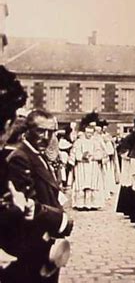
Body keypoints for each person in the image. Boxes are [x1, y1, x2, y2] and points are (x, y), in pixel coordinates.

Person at [5, 109, 73, 283]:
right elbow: (27, 203)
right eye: (40, 131)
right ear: (27, 131)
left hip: (46, 237)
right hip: (31, 239)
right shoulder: (21, 157)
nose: (46, 137)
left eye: (51, 132)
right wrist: (62, 220)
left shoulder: (37, 154)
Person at [69, 123, 106, 210]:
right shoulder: (79, 141)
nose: (89, 135)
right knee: (81, 184)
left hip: (92, 165)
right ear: (84, 132)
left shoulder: (96, 142)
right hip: (81, 165)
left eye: (90, 133)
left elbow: (101, 153)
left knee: (92, 184)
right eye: (87, 133)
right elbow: (74, 152)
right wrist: (81, 156)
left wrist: (93, 156)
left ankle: (92, 204)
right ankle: (80, 204)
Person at [115, 115, 135, 217]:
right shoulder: (129, 138)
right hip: (129, 164)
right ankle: (127, 209)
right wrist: (131, 155)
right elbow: (122, 151)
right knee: (128, 184)